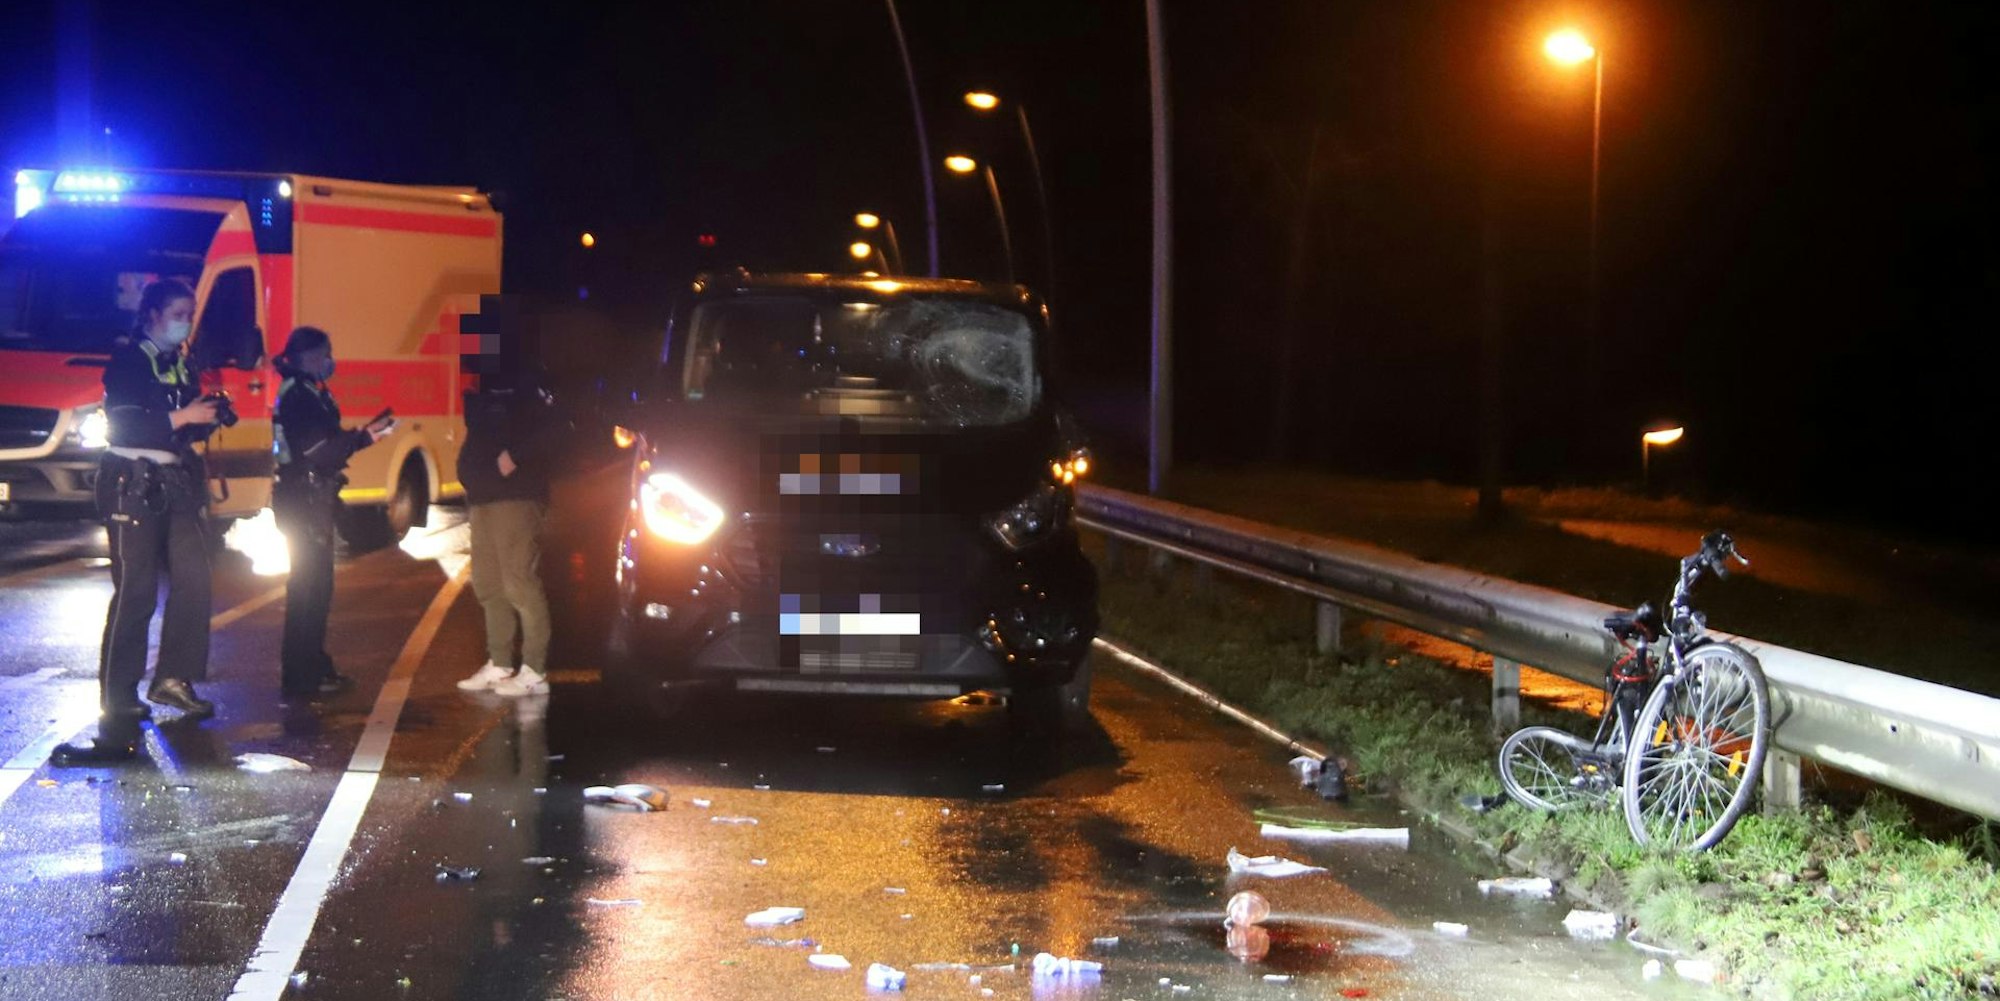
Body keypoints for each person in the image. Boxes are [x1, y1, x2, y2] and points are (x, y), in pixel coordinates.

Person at [54, 279, 219, 765]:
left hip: (173, 481)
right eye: (177, 311)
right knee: (137, 593)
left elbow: (180, 419)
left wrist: (206, 416)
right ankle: (119, 700)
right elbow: (124, 424)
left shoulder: (182, 363)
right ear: (151, 314)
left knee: (196, 580)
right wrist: (182, 414)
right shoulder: (128, 359)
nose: (186, 319)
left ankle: (172, 679)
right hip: (131, 482)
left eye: (190, 311)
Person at [271, 326, 393, 700]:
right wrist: (362, 438)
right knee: (310, 589)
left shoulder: (307, 390)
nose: (330, 360)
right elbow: (318, 449)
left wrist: (360, 435)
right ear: (309, 356)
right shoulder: (300, 396)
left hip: (309, 498)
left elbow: (326, 443)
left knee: (314, 588)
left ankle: (312, 667)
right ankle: (303, 676)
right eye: (326, 353)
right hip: (304, 500)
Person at [454, 361, 564, 697]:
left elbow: (558, 425)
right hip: (483, 496)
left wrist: (515, 456)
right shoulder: (484, 383)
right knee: (488, 583)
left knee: (518, 580)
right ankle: (500, 663)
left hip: (515, 495)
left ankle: (534, 669)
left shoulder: (526, 378)